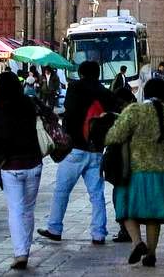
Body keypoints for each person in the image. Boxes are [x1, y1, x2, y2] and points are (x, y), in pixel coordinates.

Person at [38, 59, 122, 245]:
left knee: (62, 190)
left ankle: (55, 227)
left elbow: (69, 113)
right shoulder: (105, 92)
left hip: (75, 148)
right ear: (98, 74)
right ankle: (99, 233)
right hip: (96, 150)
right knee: (97, 194)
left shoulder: (75, 88)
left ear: (81, 73)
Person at [105, 76, 164, 268]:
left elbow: (113, 136)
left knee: (125, 209)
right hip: (163, 173)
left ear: (144, 92)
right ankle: (152, 253)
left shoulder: (134, 111)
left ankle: (137, 242)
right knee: (152, 215)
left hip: (135, 171)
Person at [0, 71, 42, 271]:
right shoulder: (28, 104)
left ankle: (21, 253)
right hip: (33, 162)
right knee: (28, 210)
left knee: (16, 210)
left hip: (11, 166)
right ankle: (25, 248)